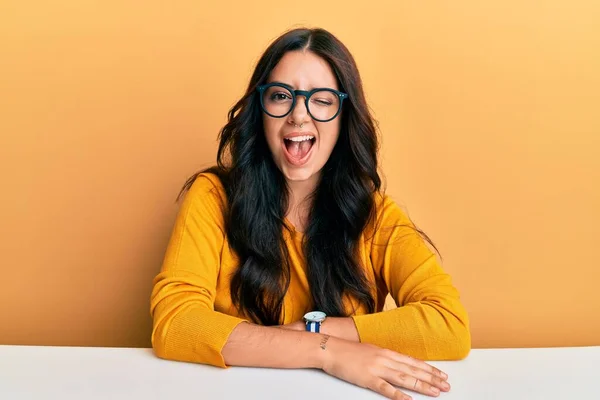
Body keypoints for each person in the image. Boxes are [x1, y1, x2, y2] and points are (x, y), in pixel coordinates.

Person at [150, 27, 470, 400]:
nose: (298, 116)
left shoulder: (377, 216)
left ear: (343, 115)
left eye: (321, 99)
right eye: (281, 96)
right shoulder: (213, 197)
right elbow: (175, 324)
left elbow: (450, 325)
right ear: (261, 110)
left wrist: (308, 331)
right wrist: (328, 351)